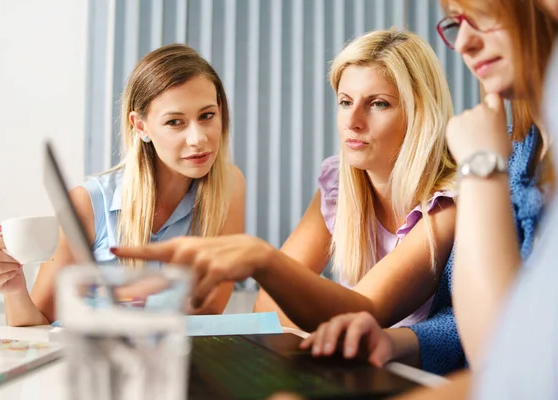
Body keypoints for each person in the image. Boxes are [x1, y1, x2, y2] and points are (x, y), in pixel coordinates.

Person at [113, 29, 458, 334]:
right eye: (345, 102)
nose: (352, 121)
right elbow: (269, 312)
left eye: (378, 104)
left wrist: (262, 258)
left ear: (420, 112)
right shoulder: (340, 188)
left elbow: (364, 311)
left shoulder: (449, 203)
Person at [298, 0, 556, 377]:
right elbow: (463, 320)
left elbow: (504, 352)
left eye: (484, 19)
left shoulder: (475, 172)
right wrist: (399, 342)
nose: (464, 42)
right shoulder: (513, 148)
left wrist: (482, 168)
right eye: (457, 23)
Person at [0, 44, 246, 326]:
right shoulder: (88, 204)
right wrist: (13, 289)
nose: (198, 138)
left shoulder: (229, 187)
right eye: (175, 122)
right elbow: (36, 326)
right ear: (140, 127)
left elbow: (209, 313)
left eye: (207, 116)